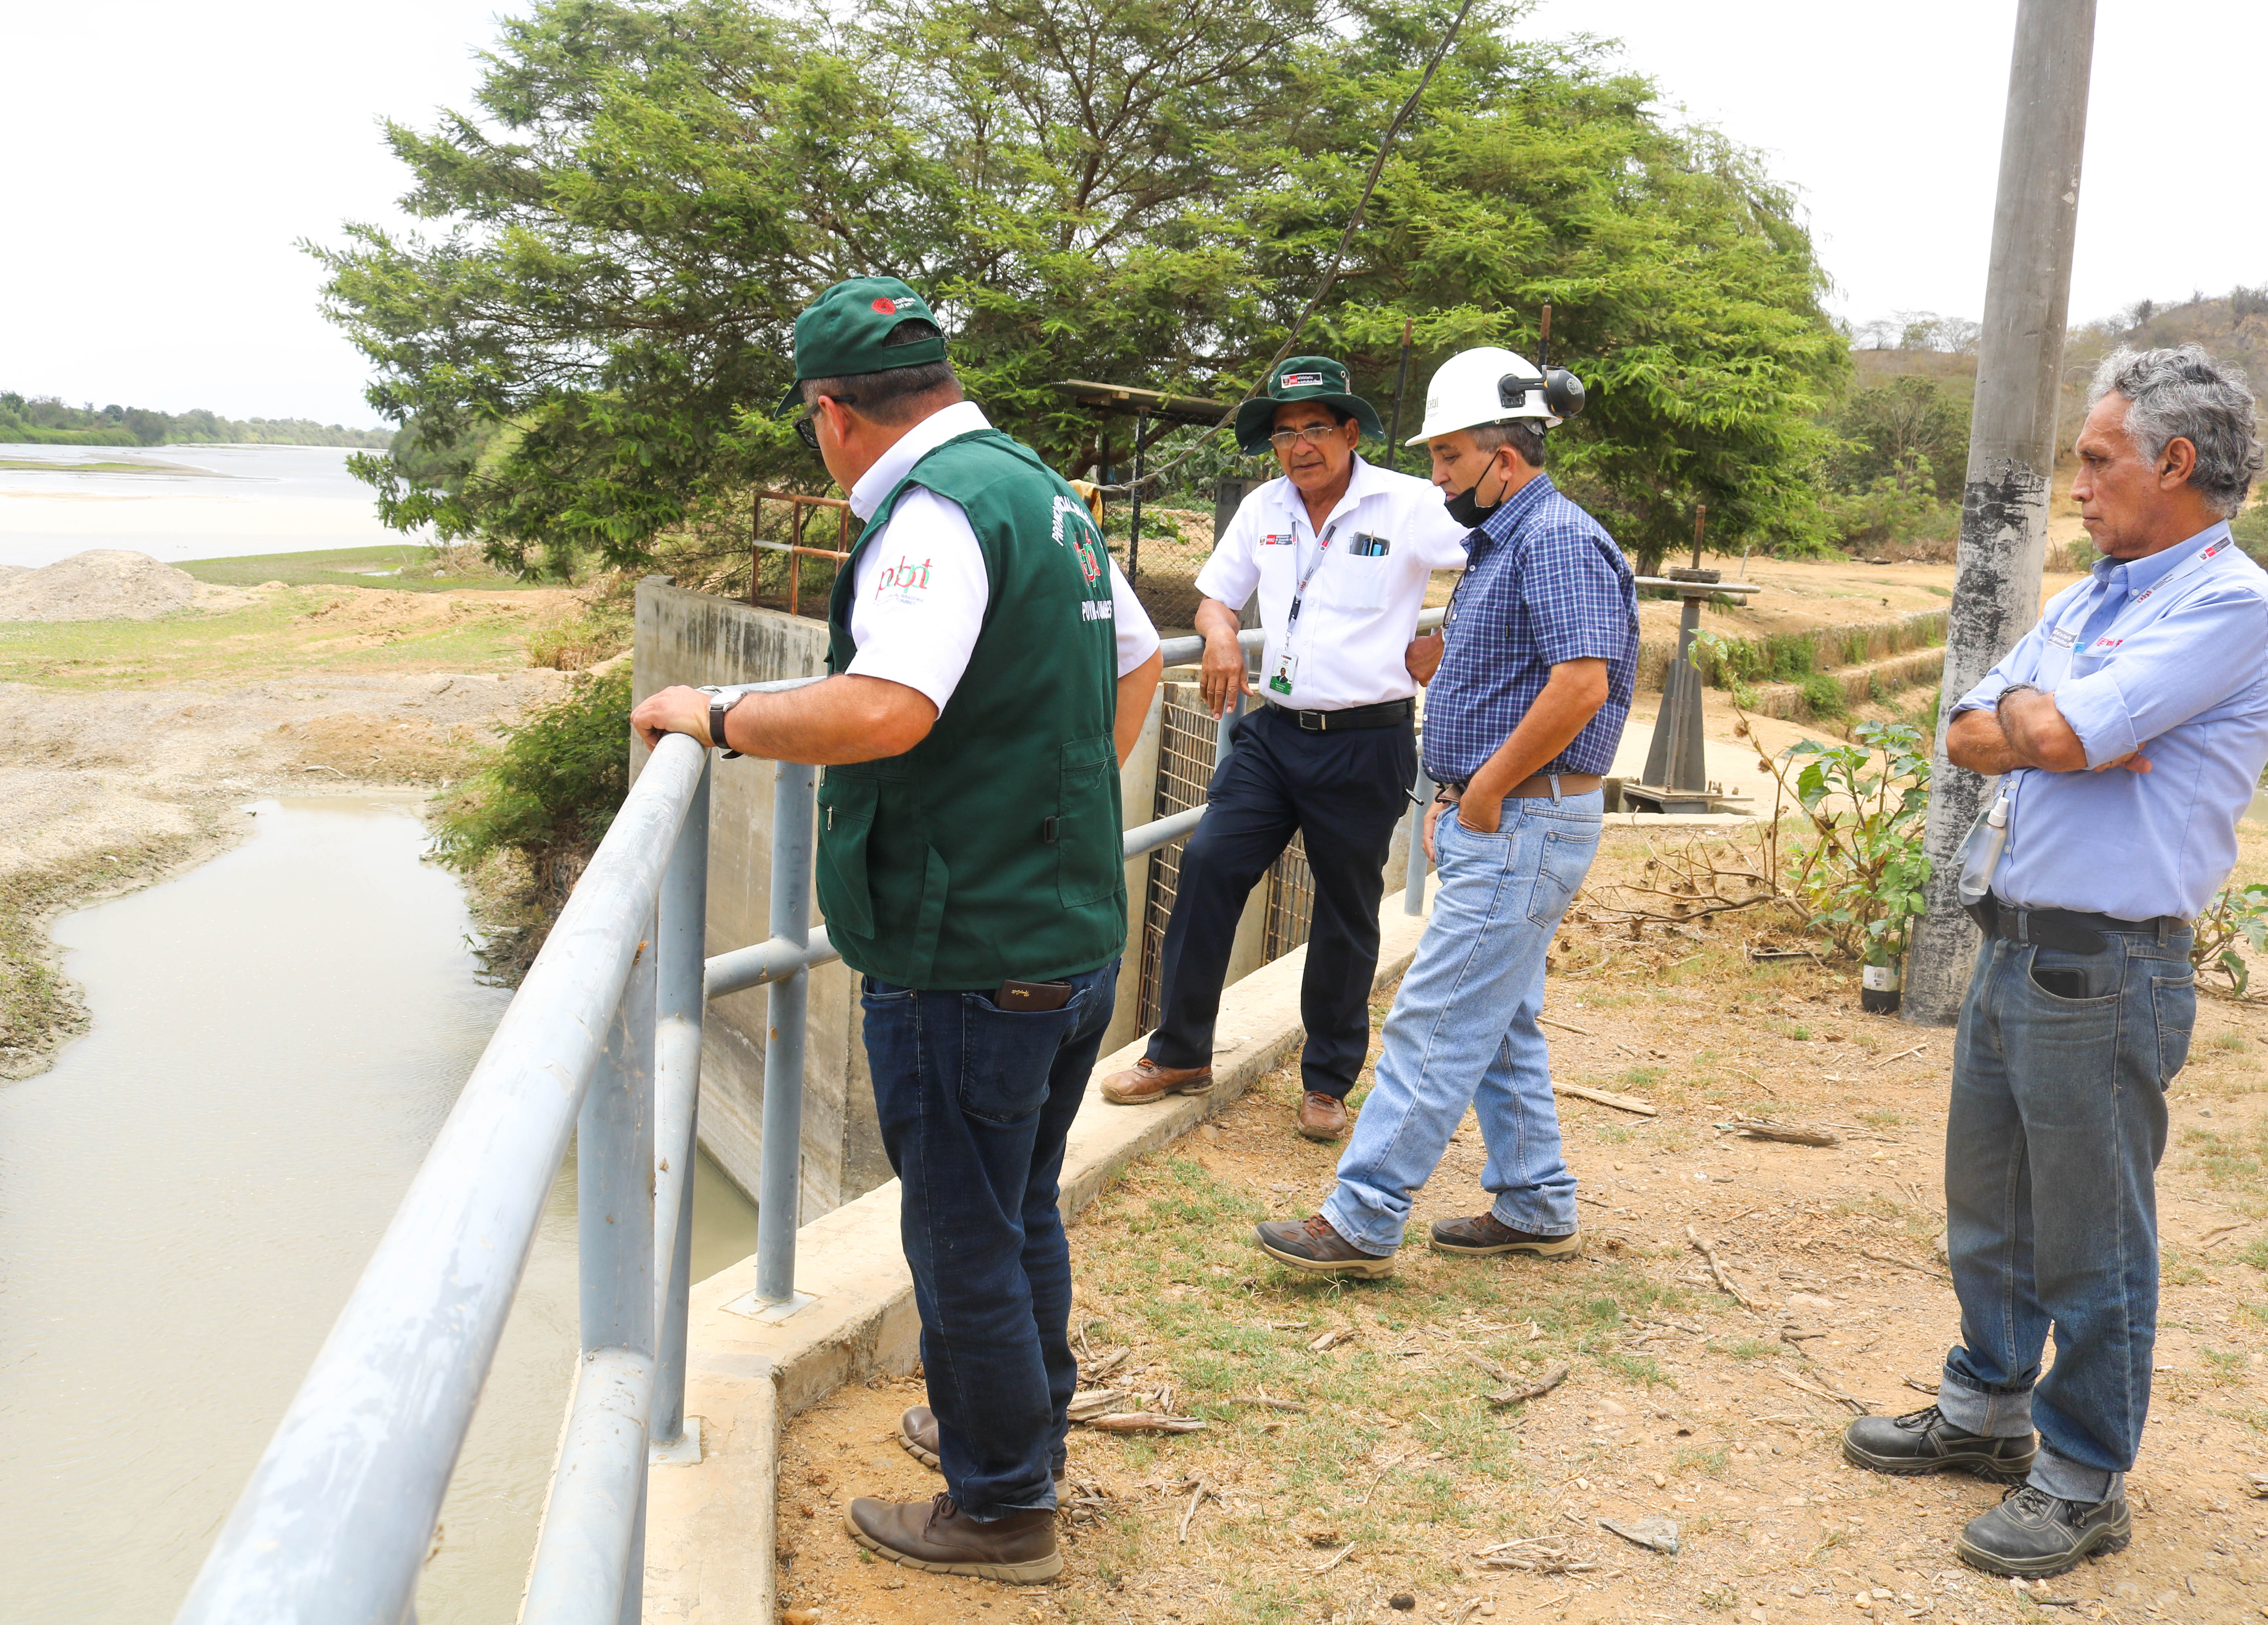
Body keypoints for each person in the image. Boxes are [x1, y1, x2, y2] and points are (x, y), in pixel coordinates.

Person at [630, 276, 1163, 1585]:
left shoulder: (933, 516)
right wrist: (1053, 825)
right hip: (1064, 932)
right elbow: (1139, 662)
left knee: (961, 1232)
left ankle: (999, 1512)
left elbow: (883, 711)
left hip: (967, 958)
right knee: (1016, 1207)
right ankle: (1010, 1429)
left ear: (831, 411)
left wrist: (716, 713)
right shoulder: (1039, 490)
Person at [1841, 345, 2268, 1579]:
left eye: (2097, 460)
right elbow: (1977, 728)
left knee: (2094, 1237)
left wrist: (2058, 724)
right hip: (2017, 946)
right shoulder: (2097, 597)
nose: (2078, 484)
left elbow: (2049, 721)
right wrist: (2061, 731)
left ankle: (2086, 1474)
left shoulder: (2231, 605)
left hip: (2109, 965)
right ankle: (1988, 1409)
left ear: (2175, 463)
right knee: (1990, 1209)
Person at [1249, 344, 1635, 1279]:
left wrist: (1491, 788)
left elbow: (1581, 685)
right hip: (1502, 815)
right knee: (1499, 1017)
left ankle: (1362, 1216)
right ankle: (1537, 1199)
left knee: (1436, 1014)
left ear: (1504, 456)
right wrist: (1461, 781)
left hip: (1526, 818)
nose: (1439, 477)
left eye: (1451, 459)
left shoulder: (1556, 540)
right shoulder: (1509, 539)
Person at [1098, 355, 1469, 1140]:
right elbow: (1212, 597)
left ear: (1350, 433)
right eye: (1284, 434)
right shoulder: (1266, 506)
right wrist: (1224, 635)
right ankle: (1181, 1052)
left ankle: (1328, 1081)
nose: (1300, 447)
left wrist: (1455, 638)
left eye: (1315, 429)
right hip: (1274, 735)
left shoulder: (1407, 502)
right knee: (1206, 866)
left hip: (1365, 740)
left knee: (1345, 910)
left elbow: (1501, 551)